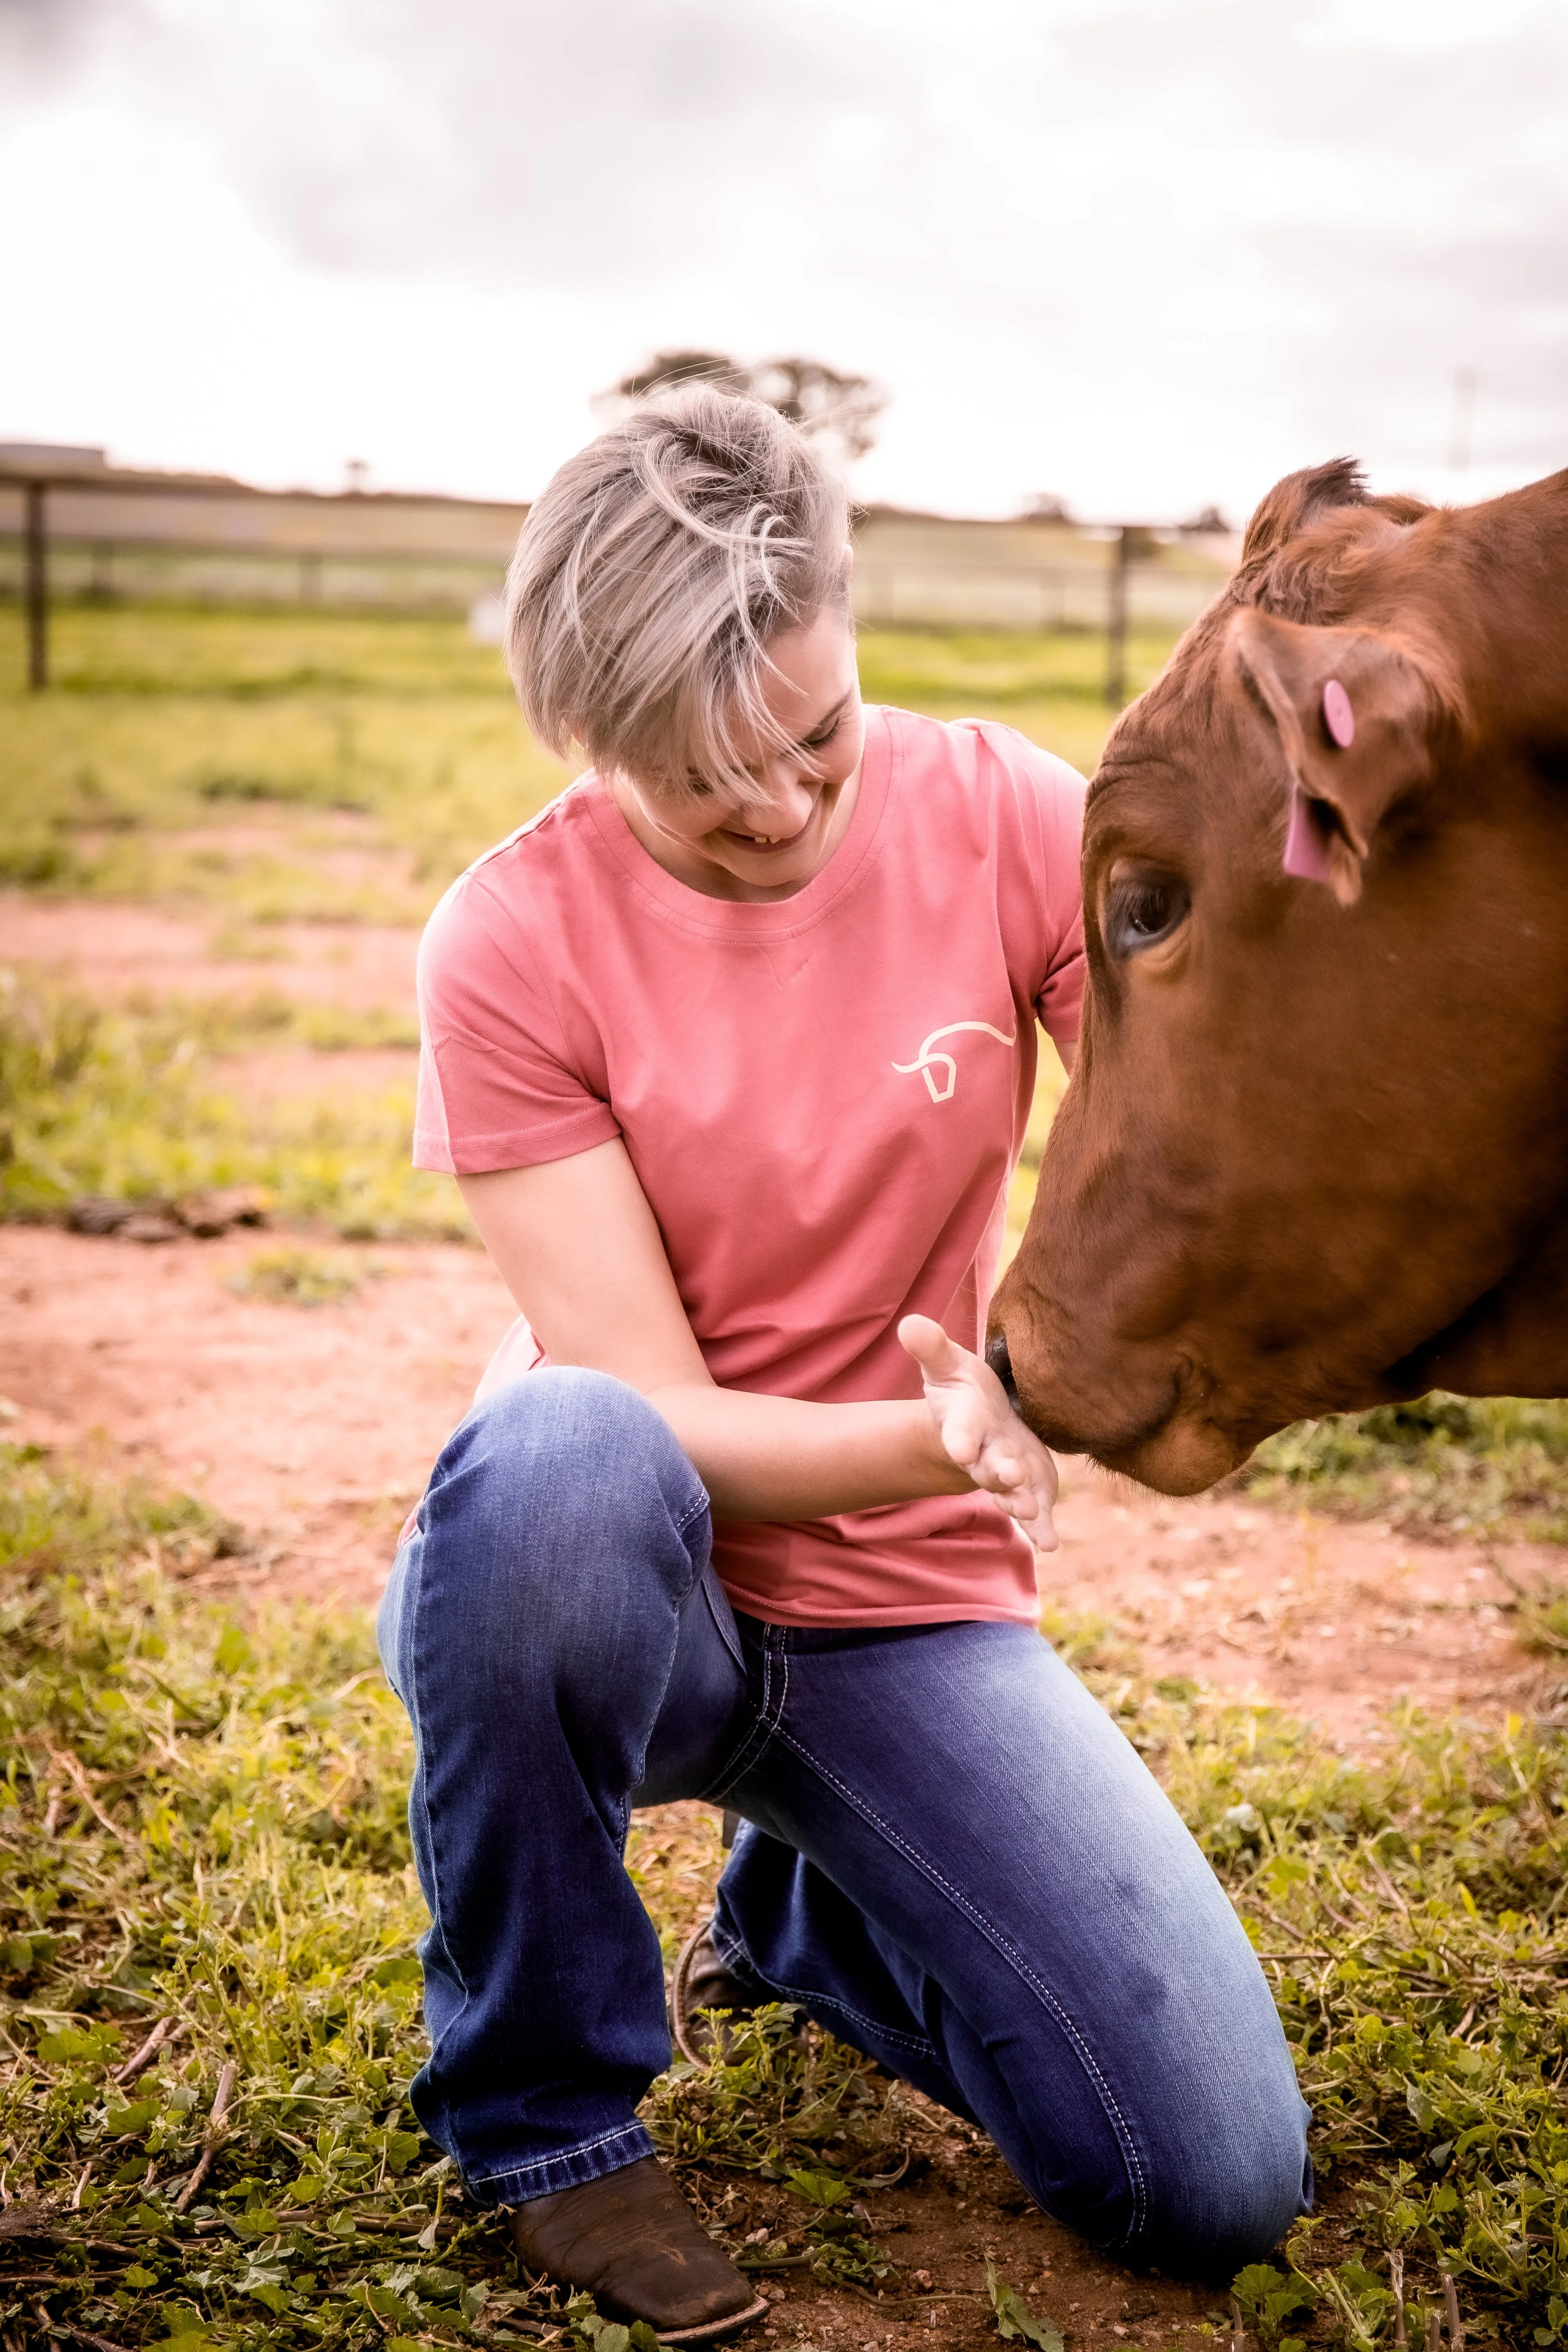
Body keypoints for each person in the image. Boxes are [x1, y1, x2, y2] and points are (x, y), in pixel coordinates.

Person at [378, 387, 1310, 2345]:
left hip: (905, 1619)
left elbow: (1213, 1081)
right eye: (711, 779)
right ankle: (543, 2114)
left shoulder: (1002, 816)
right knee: (555, 1456)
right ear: (587, 735)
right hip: (635, 1593)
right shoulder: (508, 942)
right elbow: (658, 1419)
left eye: (816, 733)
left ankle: (804, 1918)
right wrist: (952, 1429)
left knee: (1209, 2173)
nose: (790, 808)